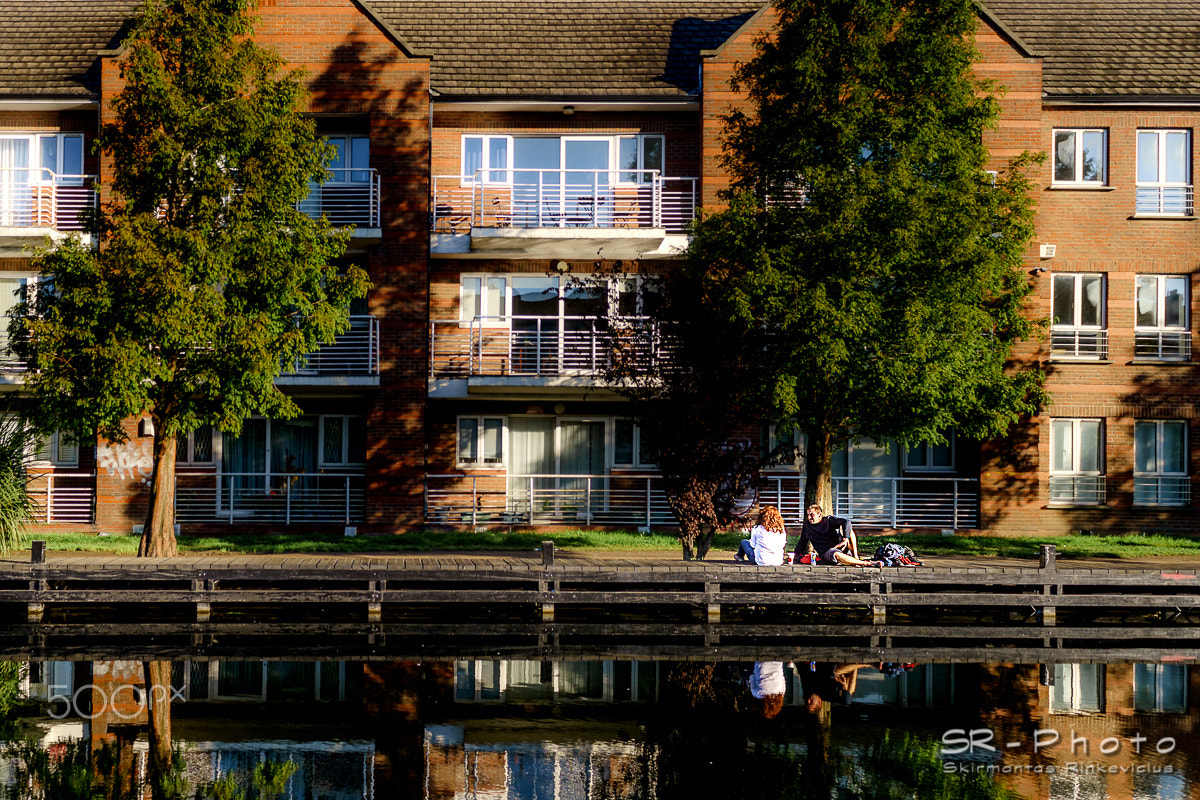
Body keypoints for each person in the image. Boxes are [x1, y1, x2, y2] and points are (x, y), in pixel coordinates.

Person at [794, 504, 879, 566]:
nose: (809, 518)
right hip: (828, 553)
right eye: (808, 515)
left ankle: (856, 557)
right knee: (836, 554)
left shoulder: (828, 521)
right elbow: (802, 541)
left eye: (812, 515)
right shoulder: (807, 526)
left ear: (820, 515)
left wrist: (845, 538)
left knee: (849, 531)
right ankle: (865, 563)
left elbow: (847, 522)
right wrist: (796, 555)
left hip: (840, 546)